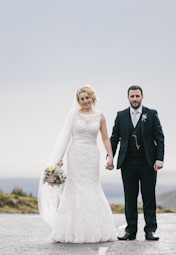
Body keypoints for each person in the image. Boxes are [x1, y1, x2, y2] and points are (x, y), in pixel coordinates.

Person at [38, 85, 118, 243]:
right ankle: (71, 231)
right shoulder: (73, 115)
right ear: (78, 101)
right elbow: (66, 138)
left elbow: (105, 138)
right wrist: (59, 159)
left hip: (92, 155)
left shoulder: (100, 116)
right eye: (82, 99)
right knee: (74, 189)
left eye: (87, 98)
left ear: (92, 98)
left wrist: (110, 157)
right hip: (75, 155)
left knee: (92, 187)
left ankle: (95, 230)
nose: (85, 101)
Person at [109, 85, 165, 241]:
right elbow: (114, 138)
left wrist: (159, 159)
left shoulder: (151, 114)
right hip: (128, 163)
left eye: (137, 96)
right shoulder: (121, 116)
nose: (135, 99)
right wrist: (110, 158)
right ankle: (130, 231)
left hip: (148, 163)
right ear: (128, 98)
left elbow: (159, 138)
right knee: (130, 197)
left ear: (142, 97)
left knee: (149, 197)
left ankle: (150, 230)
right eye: (132, 96)